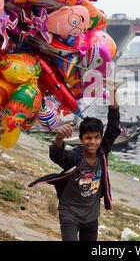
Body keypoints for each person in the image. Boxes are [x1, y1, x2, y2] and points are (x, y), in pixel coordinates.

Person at [29, 79, 121, 241]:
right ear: (80, 138)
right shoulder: (75, 157)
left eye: (96, 138)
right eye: (88, 138)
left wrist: (113, 94)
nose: (92, 142)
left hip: (91, 217)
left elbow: (113, 127)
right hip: (69, 214)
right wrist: (58, 138)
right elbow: (58, 156)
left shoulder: (102, 153)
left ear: (100, 139)